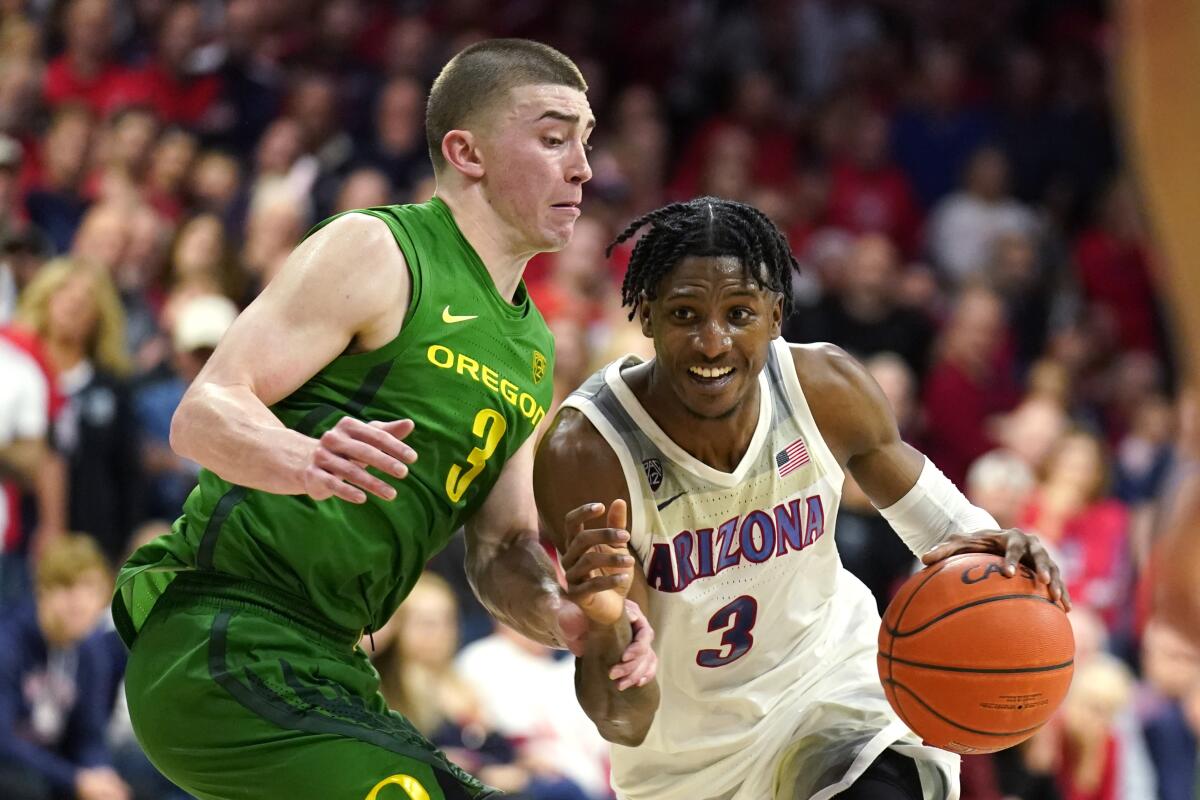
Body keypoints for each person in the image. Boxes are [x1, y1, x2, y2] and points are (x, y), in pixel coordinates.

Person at [112, 39, 655, 800]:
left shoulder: (532, 348)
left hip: (335, 665)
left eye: (586, 143)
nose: (583, 169)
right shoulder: (379, 250)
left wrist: (566, 617)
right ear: (467, 152)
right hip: (222, 634)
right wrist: (299, 456)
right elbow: (201, 415)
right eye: (554, 137)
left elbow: (501, 547)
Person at [533, 196, 1070, 800]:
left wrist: (1006, 561)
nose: (714, 343)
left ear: (777, 314)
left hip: (832, 692)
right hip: (685, 763)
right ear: (647, 315)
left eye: (739, 314)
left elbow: (951, 535)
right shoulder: (589, 450)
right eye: (686, 315)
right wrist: (604, 628)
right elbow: (622, 718)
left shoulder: (824, 388)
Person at [0, 534, 129, 800]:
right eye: (66, 587)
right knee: (26, 784)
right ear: (41, 591)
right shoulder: (8, 642)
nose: (79, 601)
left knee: (133, 770)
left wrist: (100, 773)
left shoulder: (92, 650)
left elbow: (89, 736)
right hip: (15, 766)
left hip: (52, 762)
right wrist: (75, 780)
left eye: (90, 588)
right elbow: (3, 740)